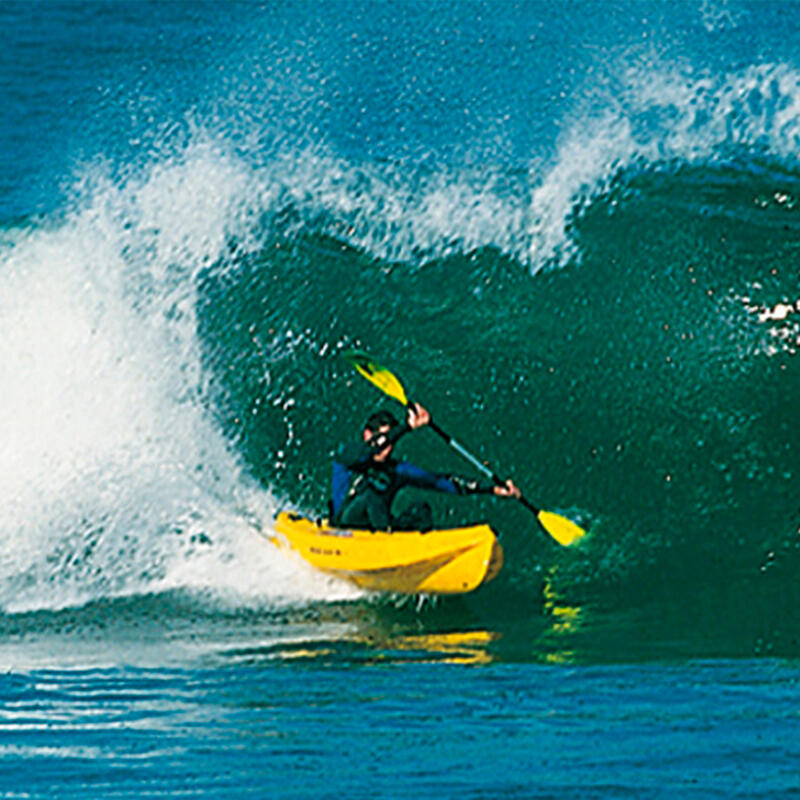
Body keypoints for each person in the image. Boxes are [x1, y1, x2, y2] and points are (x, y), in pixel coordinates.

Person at [330, 403, 520, 531]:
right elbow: (372, 448)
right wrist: (407, 426)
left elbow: (441, 481)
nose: (387, 448)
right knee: (372, 495)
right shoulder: (348, 455)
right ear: (367, 435)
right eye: (386, 440)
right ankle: (388, 537)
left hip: (377, 532)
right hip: (344, 529)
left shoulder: (397, 470)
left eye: (391, 444)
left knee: (421, 511)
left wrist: (494, 489)